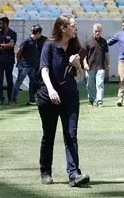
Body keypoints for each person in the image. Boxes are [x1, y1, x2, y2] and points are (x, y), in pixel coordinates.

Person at [36, 14, 90, 188]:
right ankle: (46, 172)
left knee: (71, 134)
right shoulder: (49, 45)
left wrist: (77, 65)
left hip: (70, 98)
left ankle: (74, 174)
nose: (76, 28)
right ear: (63, 28)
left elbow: (80, 77)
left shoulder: (76, 46)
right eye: (73, 26)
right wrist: (51, 90)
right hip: (48, 97)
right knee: (49, 135)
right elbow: (44, 70)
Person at [12, 25, 45, 106]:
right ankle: (13, 100)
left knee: (32, 83)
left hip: (32, 66)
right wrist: (19, 62)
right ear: (37, 33)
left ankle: (31, 99)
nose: (41, 35)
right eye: (40, 33)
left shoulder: (35, 41)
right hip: (24, 66)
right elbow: (18, 52)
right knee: (18, 83)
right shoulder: (27, 41)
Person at [82, 24, 109, 107]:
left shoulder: (104, 41)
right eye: (95, 31)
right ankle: (91, 99)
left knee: (100, 83)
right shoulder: (87, 41)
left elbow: (106, 54)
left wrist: (108, 64)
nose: (97, 33)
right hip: (90, 67)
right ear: (93, 31)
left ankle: (99, 100)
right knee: (90, 85)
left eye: (99, 31)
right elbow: (84, 55)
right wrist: (85, 64)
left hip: (100, 66)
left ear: (101, 32)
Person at [0, 16, 18, 106]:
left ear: (6, 24)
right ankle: (0, 99)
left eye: (1, 23)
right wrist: (4, 46)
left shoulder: (13, 33)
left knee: (9, 80)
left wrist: (1, 45)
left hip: (9, 60)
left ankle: (11, 99)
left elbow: (11, 45)